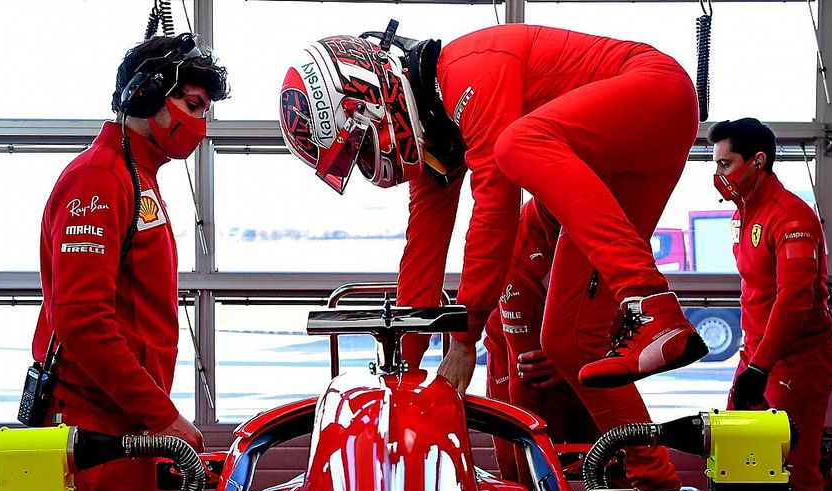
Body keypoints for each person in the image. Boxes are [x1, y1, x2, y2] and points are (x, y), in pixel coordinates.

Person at [278, 23, 708, 401]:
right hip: (619, 153)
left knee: (516, 145)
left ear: (369, 101)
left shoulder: (467, 70)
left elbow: (496, 207)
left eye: (360, 148)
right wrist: (402, 376)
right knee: (568, 342)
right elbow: (422, 257)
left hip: (655, 91)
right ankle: (651, 472)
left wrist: (464, 341)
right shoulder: (437, 141)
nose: (370, 164)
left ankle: (652, 304)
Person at [28, 34, 228, 491]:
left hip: (126, 422)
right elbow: (82, 321)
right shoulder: (99, 179)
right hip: (97, 431)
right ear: (144, 95)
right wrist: (162, 417)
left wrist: (154, 415)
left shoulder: (137, 177)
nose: (199, 124)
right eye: (192, 105)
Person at [709, 117, 832, 491]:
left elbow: (795, 299)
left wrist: (761, 367)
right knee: (738, 466)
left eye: (726, 163)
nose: (718, 173)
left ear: (757, 161)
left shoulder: (791, 216)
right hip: (757, 358)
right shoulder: (743, 213)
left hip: (796, 362)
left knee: (797, 475)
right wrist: (753, 362)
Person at [485, 198, 681, 491]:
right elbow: (525, 375)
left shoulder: (614, 226)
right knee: (523, 484)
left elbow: (627, 326)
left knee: (614, 468)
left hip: (588, 353)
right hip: (519, 361)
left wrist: (573, 356)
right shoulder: (517, 243)